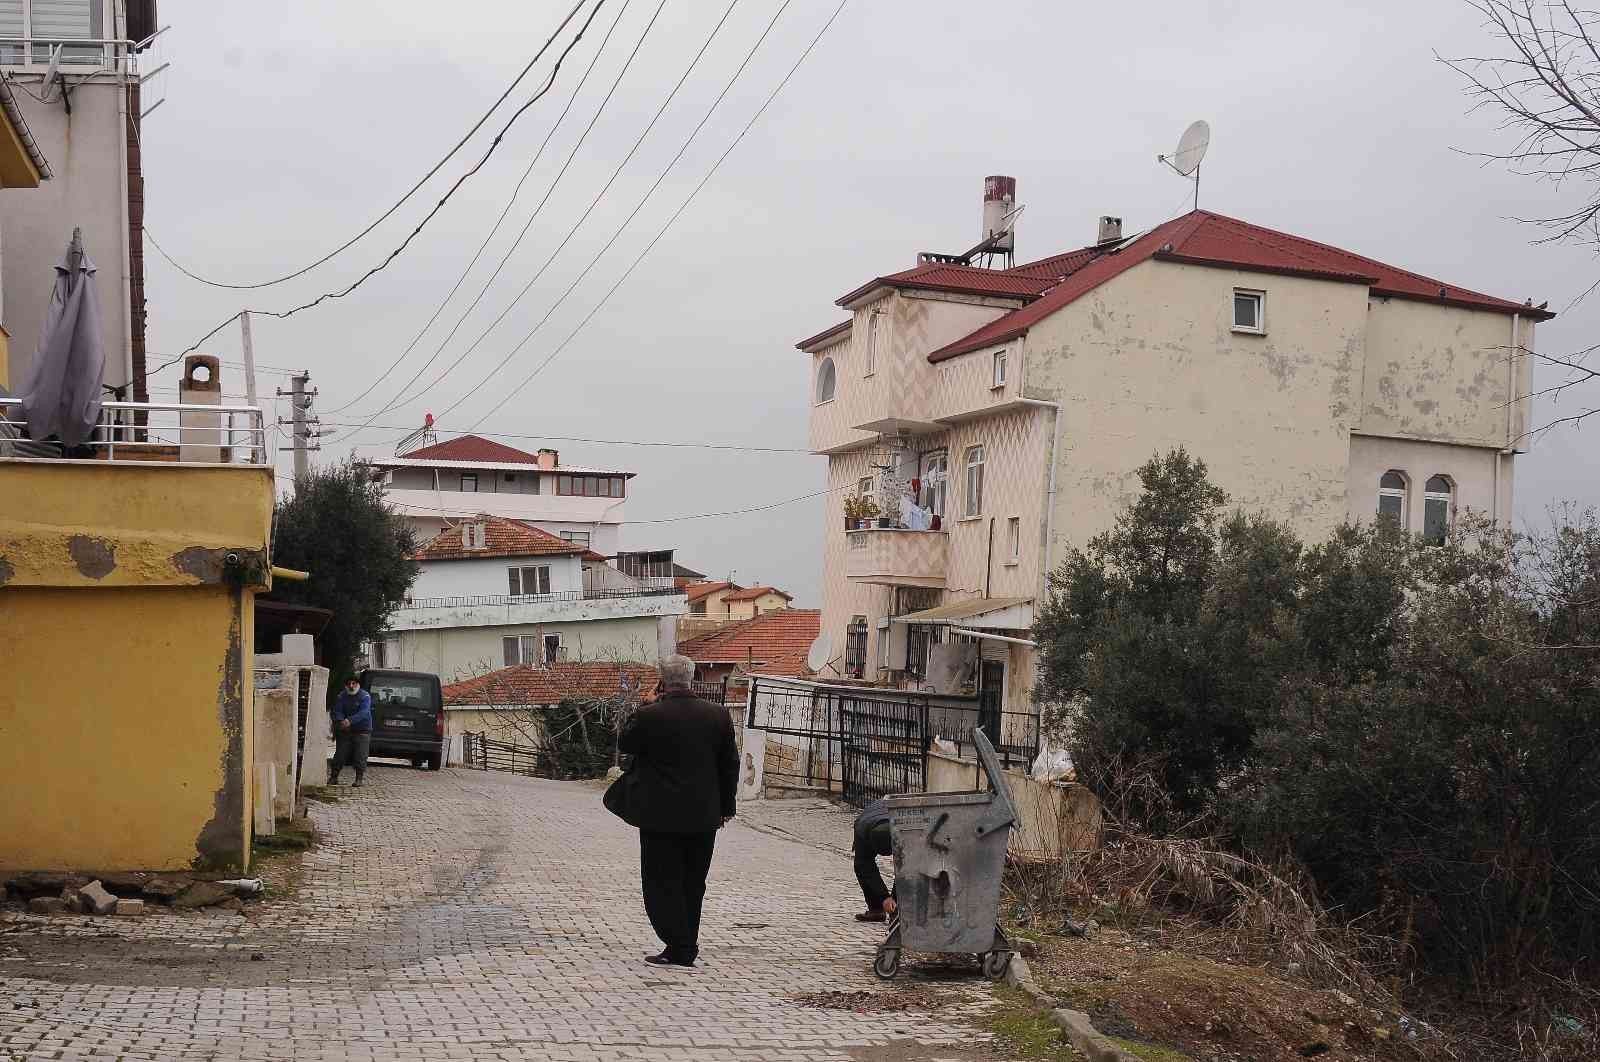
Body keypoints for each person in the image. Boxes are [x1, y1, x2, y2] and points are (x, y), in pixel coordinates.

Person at [617, 654, 738, 968]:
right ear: (692, 678)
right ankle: (685, 943)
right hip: (704, 815)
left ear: (662, 681)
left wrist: (643, 706)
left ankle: (679, 945)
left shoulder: (649, 716)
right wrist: (727, 807)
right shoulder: (718, 715)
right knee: (693, 882)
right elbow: (730, 765)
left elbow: (625, 743)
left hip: (659, 817)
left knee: (660, 881)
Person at [853, 798, 898, 922]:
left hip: (894, 823)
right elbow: (864, 865)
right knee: (860, 866)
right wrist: (884, 897)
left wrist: (894, 898)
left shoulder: (905, 831)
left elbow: (907, 867)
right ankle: (876, 909)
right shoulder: (861, 830)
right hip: (871, 820)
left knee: (909, 865)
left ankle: (899, 909)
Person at [329, 676, 373, 787]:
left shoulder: (365, 696)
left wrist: (350, 720)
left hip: (362, 730)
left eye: (354, 683)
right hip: (345, 730)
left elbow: (364, 712)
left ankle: (359, 778)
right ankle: (334, 777)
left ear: (358, 685)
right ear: (345, 685)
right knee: (340, 754)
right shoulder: (341, 696)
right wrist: (341, 721)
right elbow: (337, 710)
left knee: (361, 755)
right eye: (349, 684)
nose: (351, 686)